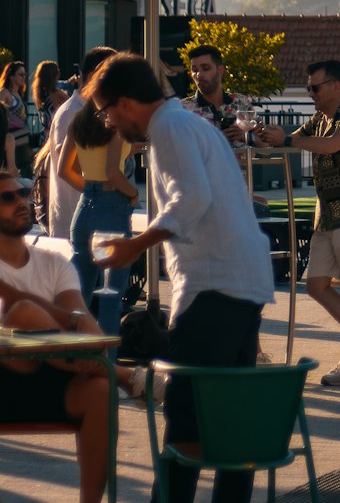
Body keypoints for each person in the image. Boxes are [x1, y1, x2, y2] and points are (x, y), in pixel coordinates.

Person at [88, 52, 274, 503]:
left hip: (213, 285)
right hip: (243, 280)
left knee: (185, 420)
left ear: (126, 102)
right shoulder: (190, 123)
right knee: (228, 422)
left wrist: (136, 244)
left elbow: (191, 198)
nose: (110, 123)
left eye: (107, 112)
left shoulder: (168, 127)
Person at [257, 59, 340, 390]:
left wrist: (287, 141)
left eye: (315, 88)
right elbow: (291, 139)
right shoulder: (319, 119)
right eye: (308, 88)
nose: (311, 94)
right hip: (327, 215)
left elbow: (331, 145)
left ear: (335, 86)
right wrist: (264, 136)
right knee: (316, 285)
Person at [0, 168, 113, 503]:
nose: (21, 202)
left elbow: (84, 323)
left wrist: (95, 349)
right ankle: (123, 375)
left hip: (56, 378)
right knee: (23, 313)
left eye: (22, 193)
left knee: (100, 388)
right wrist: (68, 322)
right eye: (7, 198)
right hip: (5, 380)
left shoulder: (54, 263)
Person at [57, 95, 137, 329]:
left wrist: (92, 189)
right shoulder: (115, 127)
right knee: (110, 299)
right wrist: (132, 193)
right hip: (111, 211)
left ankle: (71, 357)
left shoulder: (79, 124)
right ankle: (106, 362)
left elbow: (65, 170)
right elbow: (113, 172)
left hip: (84, 211)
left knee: (78, 299)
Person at [47, 47, 116, 241]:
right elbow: (68, 168)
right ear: (95, 75)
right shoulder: (72, 113)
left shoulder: (91, 111)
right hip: (75, 227)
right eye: (114, 73)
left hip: (90, 222)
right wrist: (102, 196)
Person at [184, 44, 240, 141]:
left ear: (220, 70)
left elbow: (265, 148)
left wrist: (247, 136)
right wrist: (217, 139)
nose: (199, 75)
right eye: (194, 70)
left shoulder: (240, 103)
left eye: (205, 68)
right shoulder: (183, 110)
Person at [0, 59, 32, 173]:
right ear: (11, 77)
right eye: (21, 74)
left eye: (25, 74)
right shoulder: (5, 93)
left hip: (24, 146)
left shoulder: (19, 95)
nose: (24, 77)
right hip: (13, 146)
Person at [32, 60, 69, 142]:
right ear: (54, 76)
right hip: (56, 136)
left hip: (44, 136)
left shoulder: (40, 94)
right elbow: (72, 106)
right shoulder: (58, 95)